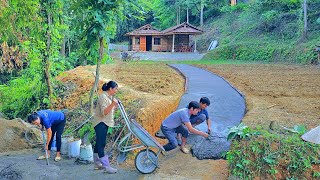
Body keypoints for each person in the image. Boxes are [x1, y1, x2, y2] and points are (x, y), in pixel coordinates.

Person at [92, 80, 118, 174]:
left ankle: (97, 164)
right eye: (115, 89)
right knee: (101, 144)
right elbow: (104, 113)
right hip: (100, 122)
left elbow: (109, 109)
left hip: (104, 122)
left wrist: (114, 105)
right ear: (110, 89)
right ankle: (107, 167)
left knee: (98, 142)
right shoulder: (103, 97)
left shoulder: (109, 97)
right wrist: (113, 104)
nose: (116, 91)